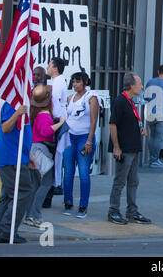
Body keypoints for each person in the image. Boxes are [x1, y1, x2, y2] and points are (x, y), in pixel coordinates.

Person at [108, 73, 151, 225]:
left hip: (133, 147)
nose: (142, 87)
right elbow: (113, 124)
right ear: (131, 86)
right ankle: (113, 210)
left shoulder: (130, 101)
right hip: (124, 149)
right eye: (139, 84)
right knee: (120, 181)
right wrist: (116, 147)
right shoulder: (120, 101)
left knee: (133, 181)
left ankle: (132, 210)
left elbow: (127, 122)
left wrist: (140, 129)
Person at [23, 85, 65, 228]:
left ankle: (30, 215)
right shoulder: (44, 115)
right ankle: (33, 215)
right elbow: (46, 131)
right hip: (42, 152)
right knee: (45, 184)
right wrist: (60, 123)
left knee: (35, 185)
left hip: (35, 151)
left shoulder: (36, 113)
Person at [0, 102, 33, 243]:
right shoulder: (13, 104)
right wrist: (17, 113)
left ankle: (1, 231)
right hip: (12, 158)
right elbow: (5, 128)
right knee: (23, 191)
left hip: (17, 156)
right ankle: (7, 230)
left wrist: (29, 156)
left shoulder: (19, 103)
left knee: (8, 195)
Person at [63, 72, 99, 219]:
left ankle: (83, 205)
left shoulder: (91, 98)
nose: (75, 84)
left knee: (83, 173)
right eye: (73, 82)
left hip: (84, 137)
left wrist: (89, 141)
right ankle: (68, 202)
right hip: (70, 137)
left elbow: (93, 121)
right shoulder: (70, 97)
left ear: (84, 82)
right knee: (68, 172)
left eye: (77, 82)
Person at [44, 58, 68, 207]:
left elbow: (56, 105)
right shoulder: (55, 82)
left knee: (53, 158)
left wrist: (55, 122)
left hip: (56, 121)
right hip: (54, 120)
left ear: (55, 68)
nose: (47, 67)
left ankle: (49, 194)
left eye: (49, 65)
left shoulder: (58, 83)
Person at [145, 64, 163, 168]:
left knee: (152, 137)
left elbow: (145, 97)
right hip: (160, 114)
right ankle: (155, 160)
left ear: (158, 71)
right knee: (158, 138)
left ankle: (151, 159)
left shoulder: (150, 82)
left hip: (150, 112)